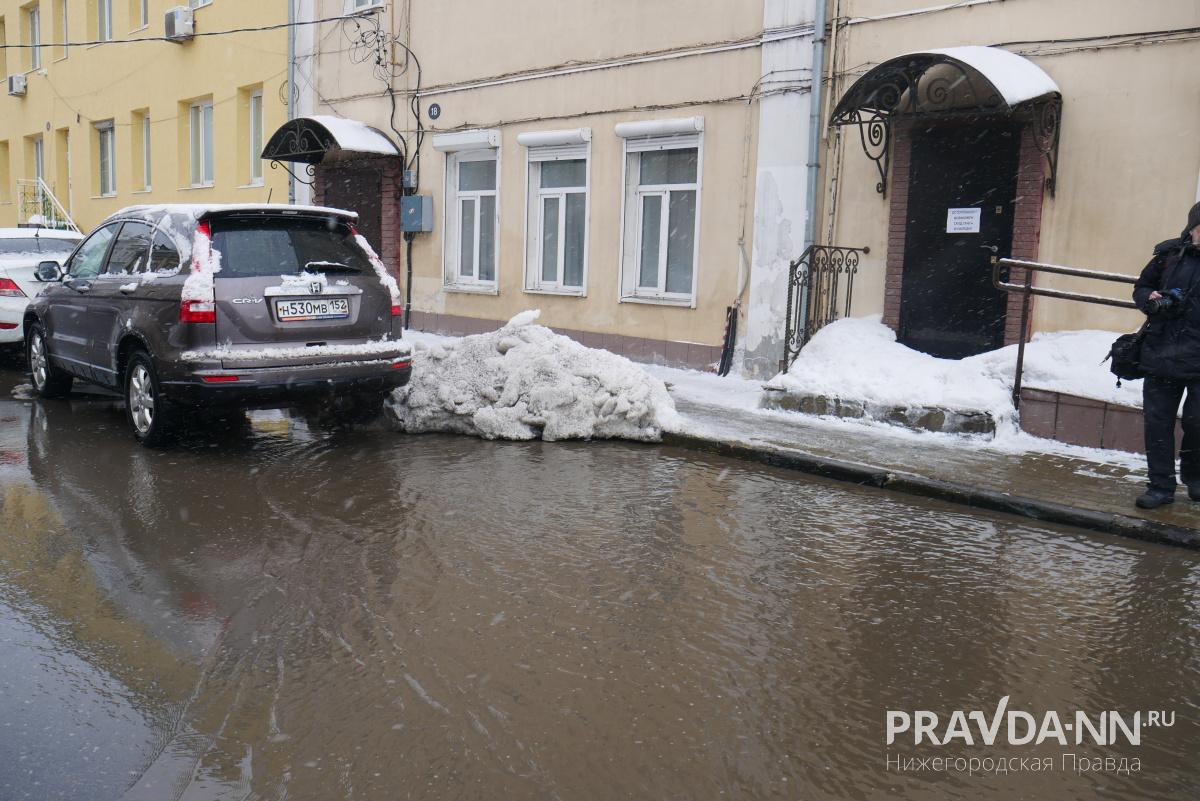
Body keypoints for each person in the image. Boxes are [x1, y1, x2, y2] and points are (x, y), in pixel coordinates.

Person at [1132, 201, 1200, 508]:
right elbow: (1141, 287)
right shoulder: (1169, 255)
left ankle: (1195, 479)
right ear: (1192, 228)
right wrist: (1150, 297)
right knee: (1157, 424)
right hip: (1162, 353)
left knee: (1198, 423)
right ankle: (1160, 486)